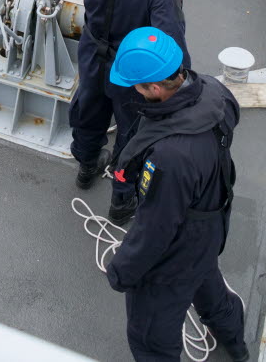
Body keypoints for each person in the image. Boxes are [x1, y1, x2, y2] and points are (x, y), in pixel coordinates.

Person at [105, 27, 248, 362]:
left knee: (149, 337)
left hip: (180, 246)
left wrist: (121, 271)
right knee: (210, 290)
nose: (135, 93)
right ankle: (237, 348)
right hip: (212, 221)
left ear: (154, 87)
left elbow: (156, 228)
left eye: (138, 87)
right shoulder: (215, 91)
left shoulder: (169, 157)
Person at [69, 0, 189, 226]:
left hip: (93, 57)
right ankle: (121, 203)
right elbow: (170, 44)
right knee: (132, 136)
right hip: (131, 73)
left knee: (89, 111)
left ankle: (86, 168)